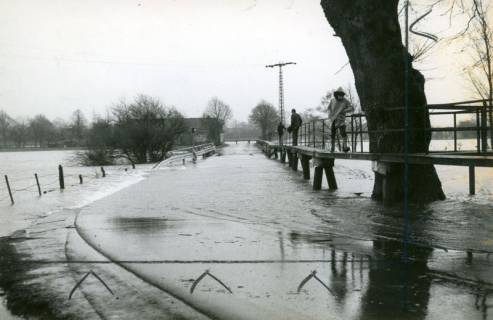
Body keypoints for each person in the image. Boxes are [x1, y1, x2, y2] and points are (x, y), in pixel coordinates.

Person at [327, 87, 354, 152]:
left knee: (343, 133)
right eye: (339, 95)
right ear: (336, 94)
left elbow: (351, 108)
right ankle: (332, 148)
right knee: (332, 134)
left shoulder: (345, 101)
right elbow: (329, 108)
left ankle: (344, 147)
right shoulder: (332, 100)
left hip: (341, 119)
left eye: (342, 95)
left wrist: (344, 110)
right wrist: (329, 115)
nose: (341, 97)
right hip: (333, 119)